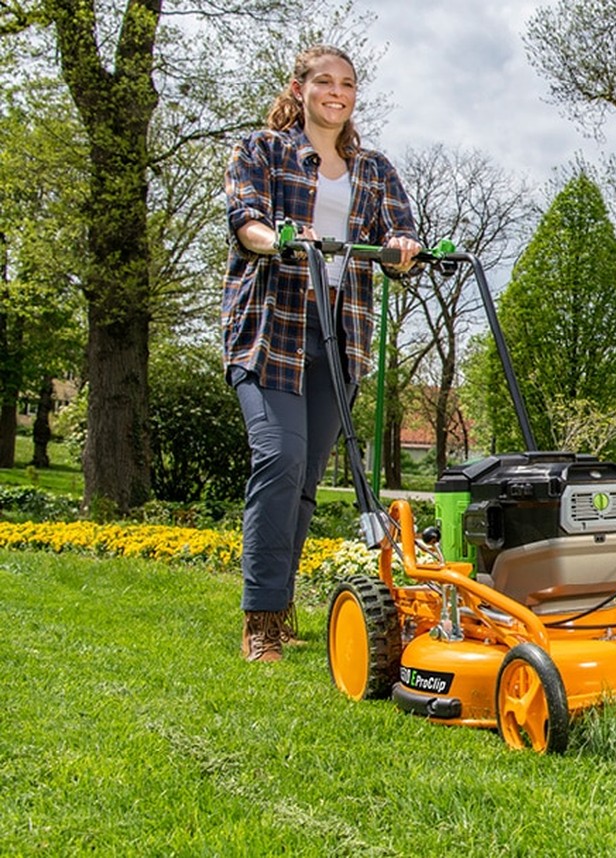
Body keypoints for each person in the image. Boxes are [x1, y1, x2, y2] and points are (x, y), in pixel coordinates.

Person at [222, 45, 421, 662]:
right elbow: (245, 220)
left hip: (342, 337)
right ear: (300, 88)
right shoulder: (262, 150)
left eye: (348, 85)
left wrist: (403, 247)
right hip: (271, 329)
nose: (337, 93)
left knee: (305, 479)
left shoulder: (375, 169)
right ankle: (260, 618)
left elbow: (398, 230)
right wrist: (276, 237)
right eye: (325, 82)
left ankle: (280, 610)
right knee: (279, 460)